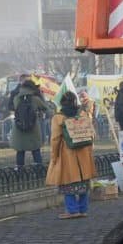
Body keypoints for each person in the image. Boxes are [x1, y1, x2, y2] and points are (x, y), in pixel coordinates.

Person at [46, 91, 96, 219]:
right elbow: (91, 132)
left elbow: (55, 139)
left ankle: (72, 210)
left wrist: (54, 156)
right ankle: (83, 209)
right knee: (84, 180)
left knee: (67, 181)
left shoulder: (58, 117)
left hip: (67, 153)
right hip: (84, 152)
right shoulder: (83, 114)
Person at [10, 77, 48, 168]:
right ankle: (39, 169)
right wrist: (40, 95)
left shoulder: (16, 98)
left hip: (19, 127)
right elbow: (46, 108)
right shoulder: (35, 99)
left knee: (20, 150)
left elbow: (14, 108)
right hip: (33, 127)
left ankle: (20, 170)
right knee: (35, 150)